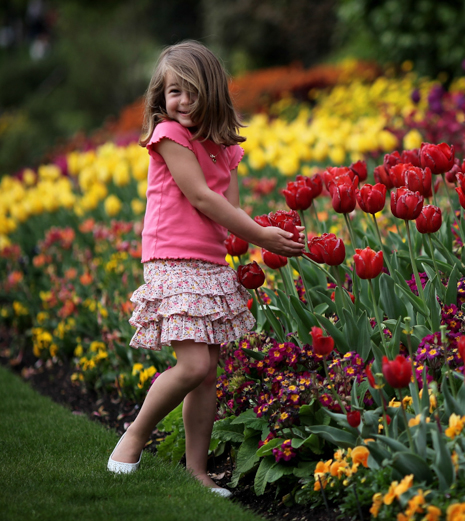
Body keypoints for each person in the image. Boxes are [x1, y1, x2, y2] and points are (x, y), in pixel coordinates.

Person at [106, 41, 304, 497]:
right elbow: (201, 198)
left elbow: (228, 210)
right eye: (174, 92)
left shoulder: (224, 148)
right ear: (161, 99)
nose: (183, 101)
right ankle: (133, 438)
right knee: (193, 363)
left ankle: (195, 472)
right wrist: (260, 235)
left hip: (209, 262)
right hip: (173, 258)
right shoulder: (169, 136)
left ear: (213, 93)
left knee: (208, 369)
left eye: (192, 92)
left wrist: (274, 233)